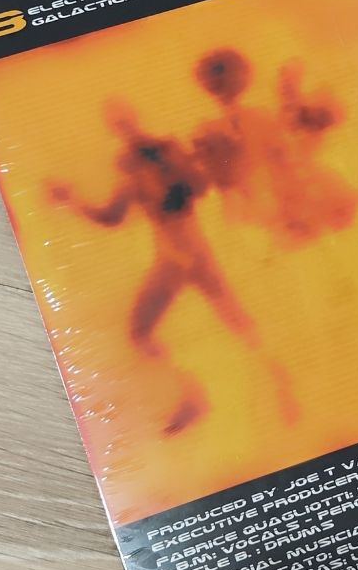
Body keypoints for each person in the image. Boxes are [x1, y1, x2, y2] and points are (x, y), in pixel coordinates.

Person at [49, 103, 297, 433]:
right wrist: (74, 200)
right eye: (118, 121)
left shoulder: (154, 158)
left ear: (127, 121)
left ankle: (241, 389)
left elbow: (125, 211)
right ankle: (239, 388)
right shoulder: (148, 161)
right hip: (190, 253)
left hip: (178, 257)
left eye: (121, 120)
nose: (123, 126)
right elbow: (117, 214)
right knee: (227, 321)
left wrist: (72, 200)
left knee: (152, 330)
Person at [190, 49, 358, 247]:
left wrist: (290, 93)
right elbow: (286, 144)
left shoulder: (244, 123)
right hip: (266, 198)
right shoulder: (252, 122)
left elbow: (286, 145)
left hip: (266, 198)